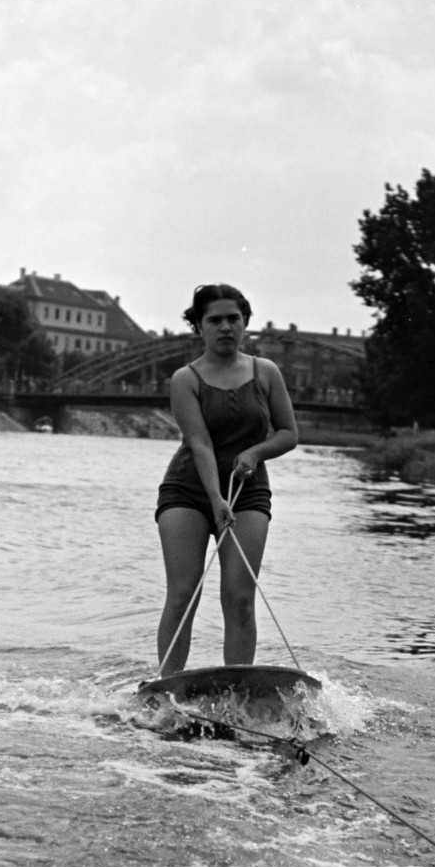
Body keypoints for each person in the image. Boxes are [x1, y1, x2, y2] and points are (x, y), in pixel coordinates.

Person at [155, 283, 298, 673]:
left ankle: (239, 690)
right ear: (198, 327)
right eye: (214, 320)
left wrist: (254, 452)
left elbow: (288, 433)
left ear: (245, 322)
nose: (225, 327)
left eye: (233, 319)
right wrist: (216, 499)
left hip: (248, 491)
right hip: (188, 490)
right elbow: (199, 442)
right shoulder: (185, 379)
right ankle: (168, 684)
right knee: (184, 593)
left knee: (239, 597)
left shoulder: (265, 372)